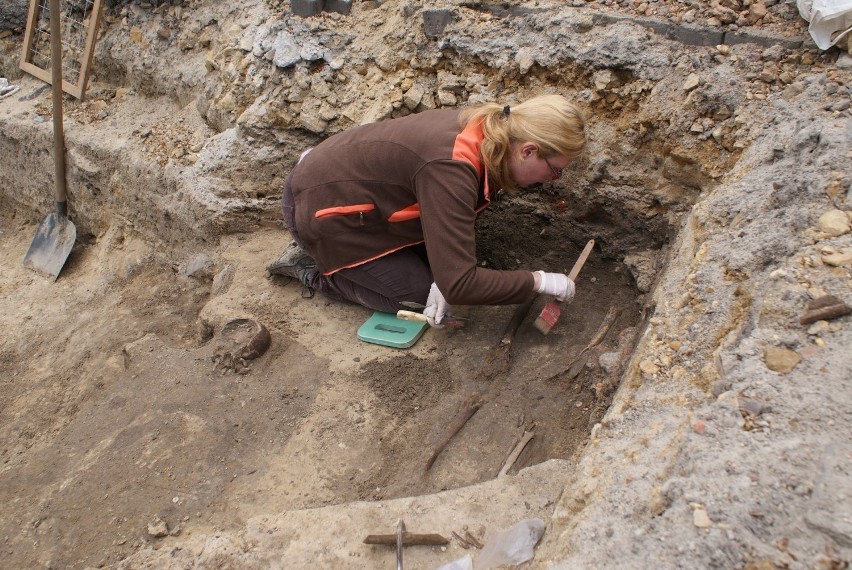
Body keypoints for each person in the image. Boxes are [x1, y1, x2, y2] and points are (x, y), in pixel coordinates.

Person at [268, 93, 587, 327]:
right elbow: (461, 285)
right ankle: (312, 266)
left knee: (445, 271)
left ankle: (332, 256)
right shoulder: (451, 166)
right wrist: (539, 281)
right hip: (318, 210)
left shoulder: (489, 133)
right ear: (529, 151)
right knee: (418, 297)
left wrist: (449, 274)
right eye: (555, 170)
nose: (552, 179)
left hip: (356, 199)